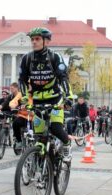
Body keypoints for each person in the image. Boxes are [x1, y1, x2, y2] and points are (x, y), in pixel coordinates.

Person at [19, 27, 74, 162]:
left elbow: (63, 78)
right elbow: (22, 80)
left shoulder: (55, 57)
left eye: (37, 39)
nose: (34, 42)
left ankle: (66, 144)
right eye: (32, 39)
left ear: (46, 41)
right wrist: (25, 99)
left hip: (55, 100)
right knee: (40, 136)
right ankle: (44, 167)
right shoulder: (26, 59)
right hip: (38, 100)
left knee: (55, 128)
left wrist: (69, 97)